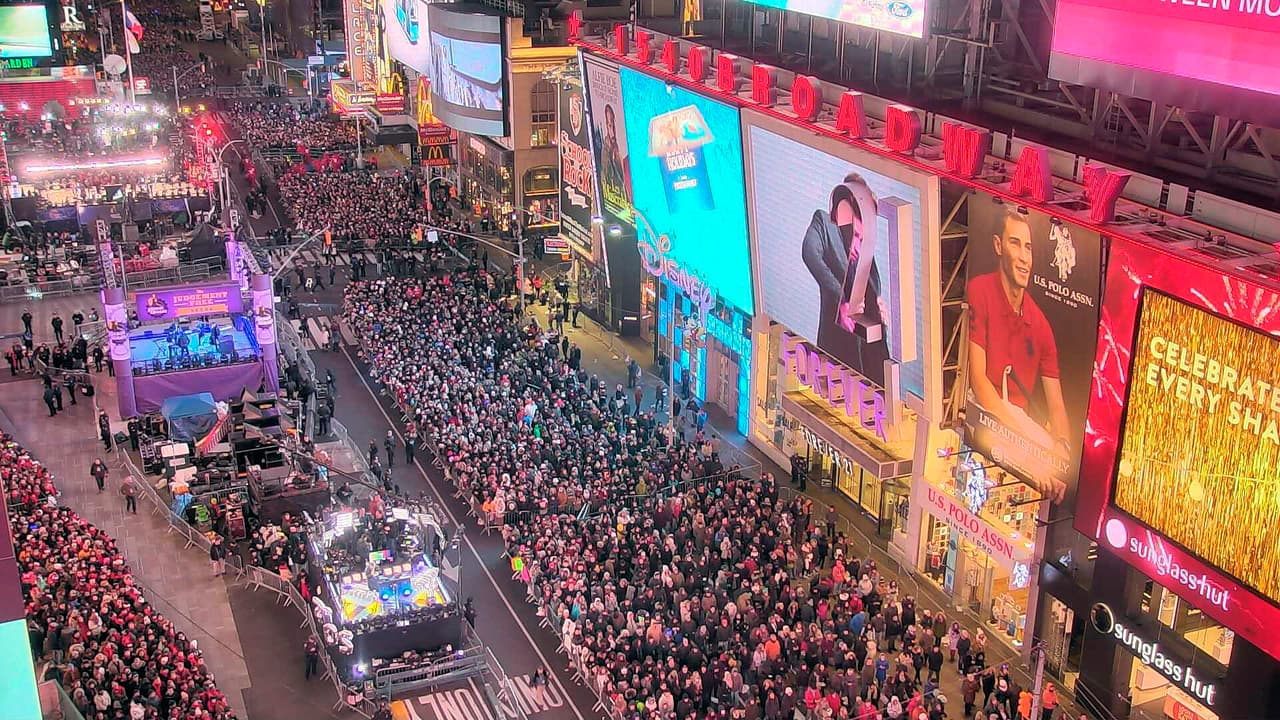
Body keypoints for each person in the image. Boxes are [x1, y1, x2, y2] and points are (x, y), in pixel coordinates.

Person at [966, 205, 1070, 502]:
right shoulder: (980, 290)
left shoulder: (1042, 326)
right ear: (999, 246)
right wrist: (1026, 444)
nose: (1024, 258)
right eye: (1015, 243)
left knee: (1057, 473)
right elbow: (980, 384)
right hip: (986, 413)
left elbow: (1057, 407)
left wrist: (1060, 447)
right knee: (1034, 459)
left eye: (1029, 248)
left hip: (1019, 425)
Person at [801, 173, 889, 384]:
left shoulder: (864, 244)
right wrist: (843, 299)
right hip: (838, 345)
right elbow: (810, 254)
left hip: (871, 350)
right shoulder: (823, 222)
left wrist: (878, 304)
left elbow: (871, 287)